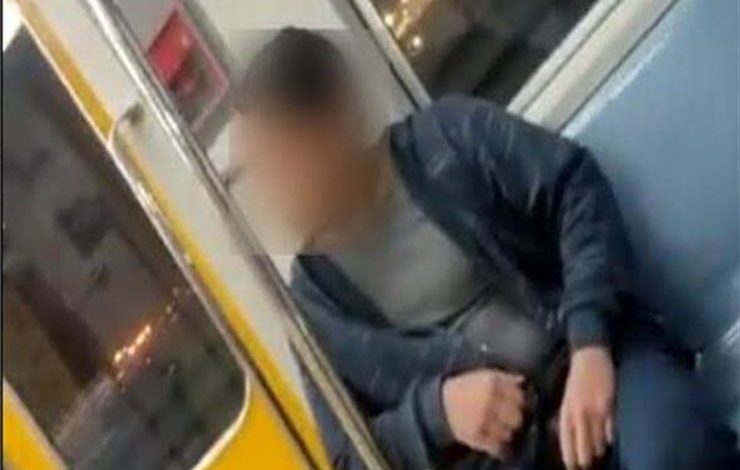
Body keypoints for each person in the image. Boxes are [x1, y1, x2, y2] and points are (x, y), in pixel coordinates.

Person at [233, 27, 732, 469]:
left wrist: (590, 342)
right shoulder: (315, 306)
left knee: (674, 454)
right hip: (509, 455)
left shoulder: (448, 138)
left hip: (599, 358)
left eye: (280, 160)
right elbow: (350, 456)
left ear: (338, 123)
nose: (271, 191)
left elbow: (576, 193)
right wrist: (437, 414)